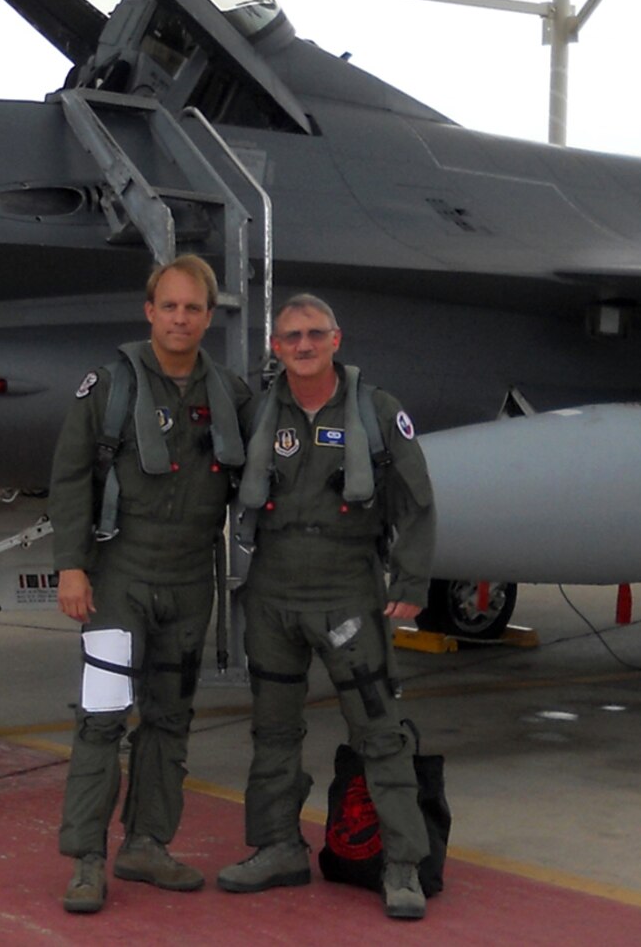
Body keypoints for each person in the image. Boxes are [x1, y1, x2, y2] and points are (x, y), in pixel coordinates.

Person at [217, 294, 437, 920]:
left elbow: (416, 503)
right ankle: (277, 846)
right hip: (273, 589)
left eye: (315, 334)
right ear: (276, 347)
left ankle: (401, 865)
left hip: (348, 588)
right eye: (291, 337)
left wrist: (411, 583)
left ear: (337, 339)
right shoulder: (260, 410)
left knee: (379, 731)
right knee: (273, 731)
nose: (304, 345)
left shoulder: (376, 410)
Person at [45, 256, 254, 915]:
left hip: (192, 581)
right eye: (170, 305)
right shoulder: (110, 386)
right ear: (149, 310)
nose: (181, 318)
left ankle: (146, 843)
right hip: (120, 577)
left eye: (193, 308)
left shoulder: (231, 394)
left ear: (209, 316)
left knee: (169, 720)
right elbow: (71, 477)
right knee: (102, 718)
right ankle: (85, 860)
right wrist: (72, 565)